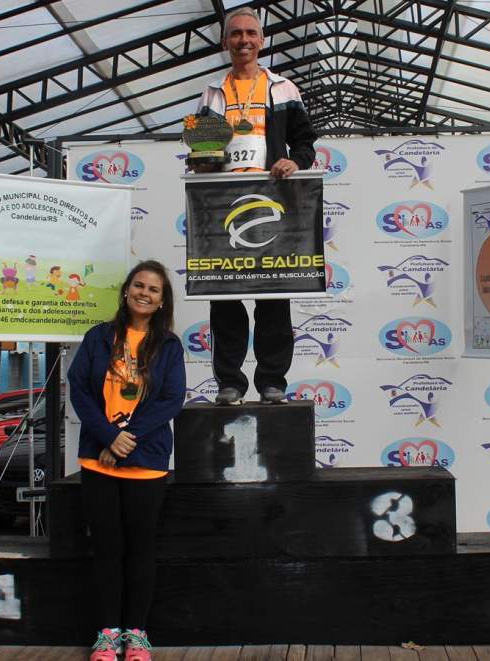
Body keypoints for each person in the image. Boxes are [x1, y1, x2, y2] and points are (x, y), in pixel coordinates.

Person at [193, 6, 317, 406]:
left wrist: (294, 162)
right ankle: (229, 382)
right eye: (236, 34)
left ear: (261, 41)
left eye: (250, 33)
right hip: (223, 202)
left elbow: (305, 143)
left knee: (274, 296)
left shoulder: (284, 88)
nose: (243, 40)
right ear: (224, 42)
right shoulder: (212, 92)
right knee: (225, 297)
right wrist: (201, 160)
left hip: (272, 200)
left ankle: (272, 382)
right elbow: (203, 149)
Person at [68, 260, 186, 661]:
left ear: (161, 301)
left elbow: (171, 399)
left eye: (154, 289)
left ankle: (136, 634)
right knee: (107, 548)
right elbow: (79, 389)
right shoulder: (99, 337)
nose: (144, 293)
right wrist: (108, 437)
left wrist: (125, 442)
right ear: (126, 290)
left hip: (146, 463)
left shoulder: (168, 345)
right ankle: (107, 633)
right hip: (98, 461)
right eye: (139, 285)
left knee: (140, 549)